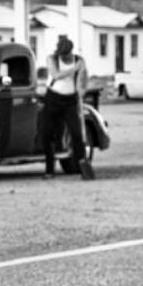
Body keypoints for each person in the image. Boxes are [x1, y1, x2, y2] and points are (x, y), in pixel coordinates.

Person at [39, 35, 94, 180]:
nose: (66, 56)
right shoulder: (52, 59)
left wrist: (82, 89)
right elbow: (56, 75)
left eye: (67, 53)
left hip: (70, 100)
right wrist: (74, 69)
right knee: (47, 134)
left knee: (76, 133)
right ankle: (49, 170)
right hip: (53, 98)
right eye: (63, 54)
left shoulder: (79, 60)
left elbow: (84, 75)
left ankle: (83, 166)